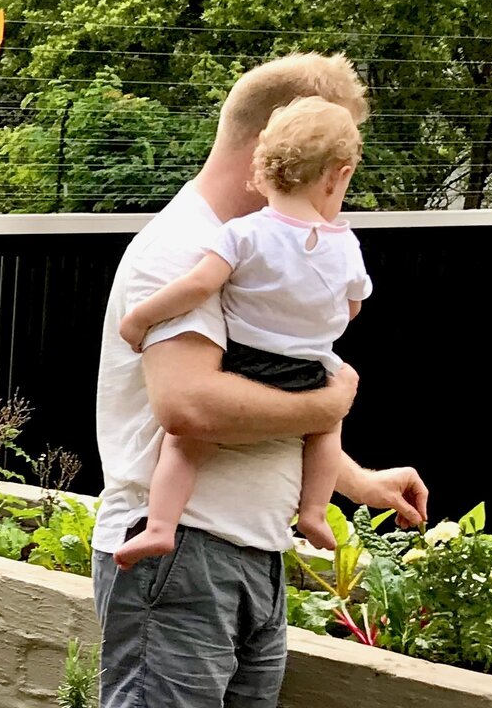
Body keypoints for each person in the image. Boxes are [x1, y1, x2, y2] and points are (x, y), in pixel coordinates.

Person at [92, 53, 429, 708]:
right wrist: (331, 405)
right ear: (281, 146)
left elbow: (274, 392)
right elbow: (193, 406)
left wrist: (356, 482)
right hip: (181, 548)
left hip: (245, 548)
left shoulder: (267, 256)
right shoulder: (184, 251)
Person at [112, 97, 371, 567]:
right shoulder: (347, 244)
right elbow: (351, 307)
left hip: (248, 360)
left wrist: (139, 319)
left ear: (264, 165)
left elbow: (197, 286)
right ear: (338, 174)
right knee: (324, 426)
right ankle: (313, 512)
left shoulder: (243, 233)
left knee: (184, 446)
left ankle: (160, 526)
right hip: (311, 367)